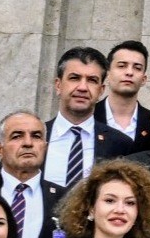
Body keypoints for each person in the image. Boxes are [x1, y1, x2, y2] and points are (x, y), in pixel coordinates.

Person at [46, 46, 116, 186]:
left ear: (101, 90)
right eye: (74, 78)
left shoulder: (119, 144)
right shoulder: (37, 136)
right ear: (58, 85)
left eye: (92, 80)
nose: (82, 87)